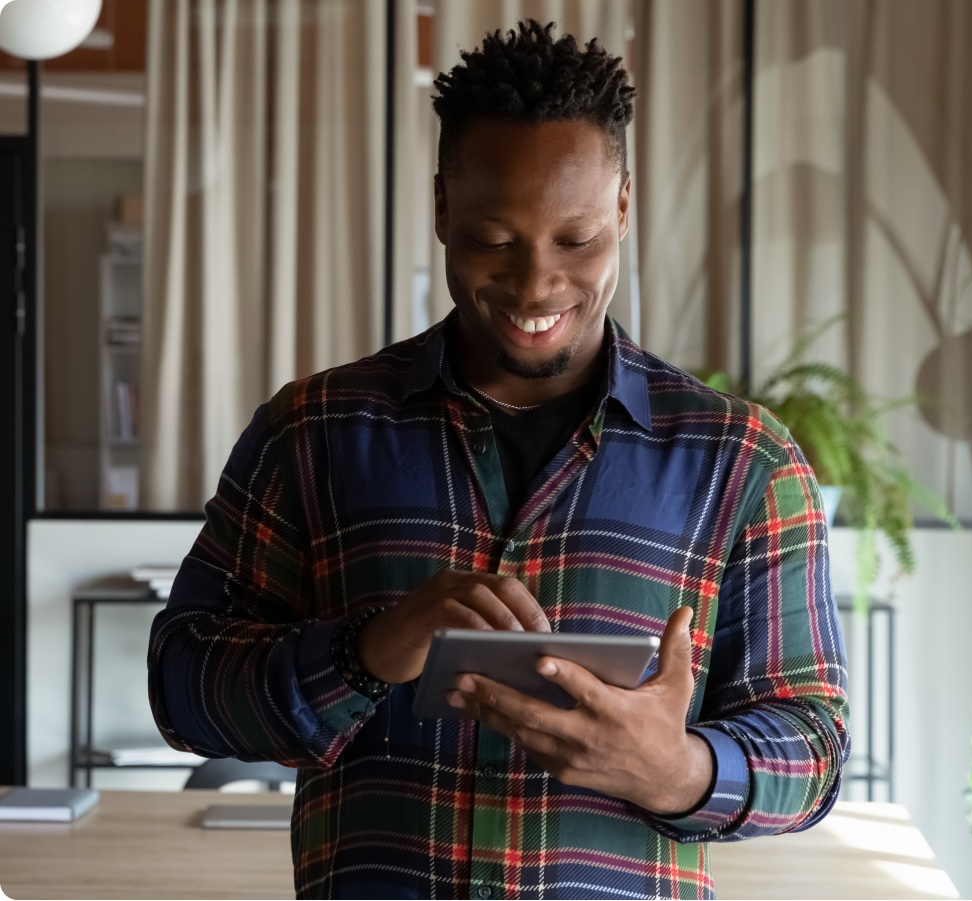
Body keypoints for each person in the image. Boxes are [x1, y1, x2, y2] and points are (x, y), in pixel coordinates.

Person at [148, 20, 849, 901]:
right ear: (441, 208)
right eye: (493, 239)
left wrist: (677, 769)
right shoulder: (313, 431)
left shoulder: (742, 461)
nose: (535, 285)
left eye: (577, 238)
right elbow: (181, 686)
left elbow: (814, 745)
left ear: (624, 208)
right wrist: (368, 650)